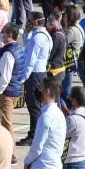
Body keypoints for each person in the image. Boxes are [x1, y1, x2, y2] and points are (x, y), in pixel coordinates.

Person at [0, 24, 26, 149]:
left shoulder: (8, 53)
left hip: (6, 94)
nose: (1, 33)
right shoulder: (17, 48)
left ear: (10, 34)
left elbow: (5, 77)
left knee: (6, 124)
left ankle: (12, 154)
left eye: (3, 31)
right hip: (12, 90)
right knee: (3, 123)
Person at [19, 11, 53, 145]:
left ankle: (34, 135)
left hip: (34, 75)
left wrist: (23, 78)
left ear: (37, 22)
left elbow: (30, 60)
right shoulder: (44, 35)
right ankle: (37, 134)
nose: (28, 23)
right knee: (37, 106)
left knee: (34, 106)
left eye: (30, 21)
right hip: (41, 73)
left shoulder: (37, 37)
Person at [60, 4, 83, 103]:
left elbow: (61, 44)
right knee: (65, 89)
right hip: (73, 61)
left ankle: (66, 111)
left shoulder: (71, 31)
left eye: (64, 15)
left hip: (69, 62)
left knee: (65, 91)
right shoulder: (77, 27)